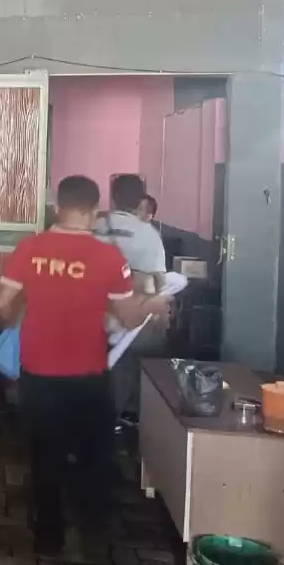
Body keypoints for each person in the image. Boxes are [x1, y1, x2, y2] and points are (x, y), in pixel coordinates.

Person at [0, 175, 170, 556]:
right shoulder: (109, 259)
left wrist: (25, 307)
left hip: (38, 373)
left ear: (57, 207)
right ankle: (93, 536)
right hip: (88, 376)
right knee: (94, 456)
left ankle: (48, 537)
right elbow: (127, 316)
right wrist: (153, 305)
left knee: (45, 456)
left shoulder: (28, 248)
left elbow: (2, 308)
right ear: (94, 211)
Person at [94, 175, 168, 420]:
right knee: (132, 357)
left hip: (93, 316)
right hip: (133, 320)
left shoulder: (95, 227)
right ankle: (119, 416)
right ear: (140, 201)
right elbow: (160, 283)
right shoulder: (150, 235)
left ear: (113, 197)